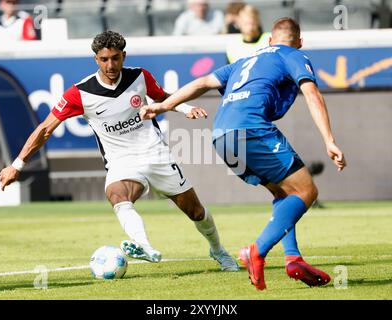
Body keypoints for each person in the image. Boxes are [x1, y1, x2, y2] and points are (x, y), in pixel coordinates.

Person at [0, 31, 239, 272]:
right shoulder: (80, 93)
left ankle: (218, 250)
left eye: (115, 58)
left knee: (196, 212)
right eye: (104, 59)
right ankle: (143, 245)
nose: (110, 65)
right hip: (121, 161)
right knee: (117, 194)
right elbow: (45, 129)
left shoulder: (140, 77)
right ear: (96, 60)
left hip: (155, 154)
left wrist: (184, 108)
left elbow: (163, 97)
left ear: (123, 56)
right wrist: (17, 165)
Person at [140, 18, 347, 290]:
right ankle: (257, 251)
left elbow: (203, 82)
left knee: (283, 192)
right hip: (252, 130)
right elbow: (312, 94)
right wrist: (329, 140)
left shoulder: (245, 60)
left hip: (221, 135)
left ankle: (293, 258)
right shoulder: (294, 54)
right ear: (299, 42)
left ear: (270, 41)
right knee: (306, 191)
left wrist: (164, 106)